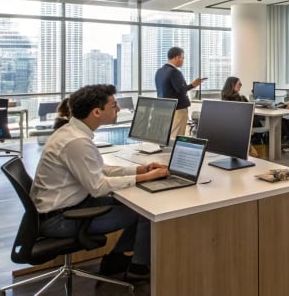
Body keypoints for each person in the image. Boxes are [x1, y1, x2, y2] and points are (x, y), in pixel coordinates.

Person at [30, 84, 170, 280]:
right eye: (114, 106)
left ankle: (117, 259)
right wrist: (144, 178)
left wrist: (140, 169)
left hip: (64, 208)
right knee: (147, 212)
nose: (118, 110)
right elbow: (98, 187)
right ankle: (138, 269)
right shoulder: (76, 141)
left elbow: (99, 168)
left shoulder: (72, 133)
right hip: (63, 218)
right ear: (97, 111)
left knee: (136, 204)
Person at [154, 47, 204, 142]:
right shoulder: (174, 72)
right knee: (176, 136)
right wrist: (193, 85)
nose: (183, 60)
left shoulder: (159, 71)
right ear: (177, 58)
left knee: (168, 136)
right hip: (178, 109)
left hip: (165, 108)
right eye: (182, 58)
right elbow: (181, 90)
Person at [220, 76, 259, 157]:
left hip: (244, 122)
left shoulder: (241, 97)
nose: (241, 85)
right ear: (232, 85)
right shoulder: (226, 99)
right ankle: (249, 149)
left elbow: (250, 109)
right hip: (236, 124)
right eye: (239, 84)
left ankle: (250, 149)